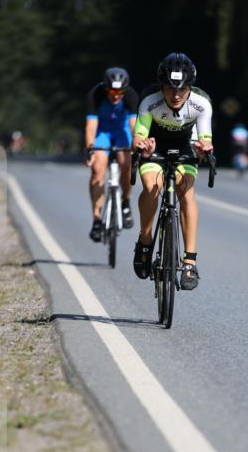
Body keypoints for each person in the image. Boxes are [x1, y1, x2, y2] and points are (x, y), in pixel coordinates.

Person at [131, 53, 213, 290]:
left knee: (186, 193)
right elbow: (139, 135)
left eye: (182, 89)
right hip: (154, 148)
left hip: (187, 147)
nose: (176, 95)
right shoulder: (150, 101)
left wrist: (204, 147)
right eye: (170, 89)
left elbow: (205, 138)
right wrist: (142, 146)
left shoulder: (201, 103)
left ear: (190, 87)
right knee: (151, 186)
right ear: (161, 86)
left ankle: (190, 261)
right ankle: (145, 241)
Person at [84, 67, 138, 240]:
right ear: (105, 88)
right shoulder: (95, 94)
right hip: (103, 132)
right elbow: (91, 126)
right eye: (112, 91)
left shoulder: (131, 96)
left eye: (119, 92)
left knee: (128, 164)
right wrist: (90, 148)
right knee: (98, 170)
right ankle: (97, 219)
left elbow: (133, 125)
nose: (116, 95)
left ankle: (125, 202)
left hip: (122, 131)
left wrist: (137, 147)